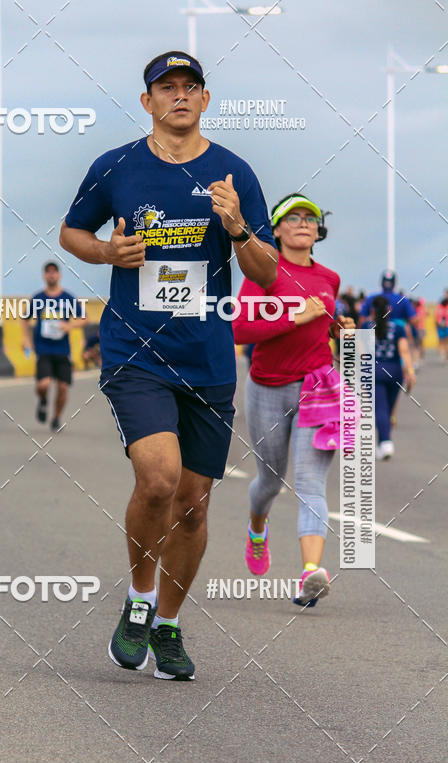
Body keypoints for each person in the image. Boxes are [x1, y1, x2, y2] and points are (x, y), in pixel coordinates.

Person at [60, 50, 277, 679]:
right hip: (136, 351)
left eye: (190, 87)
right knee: (157, 480)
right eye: (166, 87)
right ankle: (139, 600)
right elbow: (71, 232)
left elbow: (266, 272)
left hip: (207, 357)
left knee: (193, 505)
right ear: (147, 101)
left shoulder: (234, 172)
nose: (179, 96)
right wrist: (106, 250)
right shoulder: (116, 167)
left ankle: (170, 627)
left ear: (205, 100)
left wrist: (237, 229)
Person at [233, 193, 354, 608]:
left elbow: (325, 324)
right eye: (294, 217)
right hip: (267, 385)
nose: (304, 223)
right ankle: (256, 526)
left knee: (310, 484)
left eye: (311, 218)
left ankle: (310, 573)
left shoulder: (330, 278)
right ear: (278, 228)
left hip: (318, 385)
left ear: (318, 230)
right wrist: (294, 317)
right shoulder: (263, 273)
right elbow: (239, 330)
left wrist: (340, 329)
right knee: (270, 480)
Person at [21, 261, 84, 430]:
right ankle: (43, 401)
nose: (51, 275)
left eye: (54, 272)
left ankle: (56, 417)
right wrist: (26, 339)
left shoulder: (68, 298)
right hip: (43, 349)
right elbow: (24, 319)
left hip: (62, 350)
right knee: (43, 384)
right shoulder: (38, 298)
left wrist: (69, 326)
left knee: (63, 387)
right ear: (44, 276)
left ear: (59, 275)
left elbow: (84, 318)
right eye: (48, 272)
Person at [364, 295, 415, 459]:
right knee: (388, 409)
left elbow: (360, 354)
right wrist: (411, 371)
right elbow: (404, 351)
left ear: (372, 310)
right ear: (389, 310)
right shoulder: (398, 328)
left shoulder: (366, 327)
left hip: (373, 371)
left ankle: (385, 442)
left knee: (380, 409)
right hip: (395, 372)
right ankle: (383, 443)